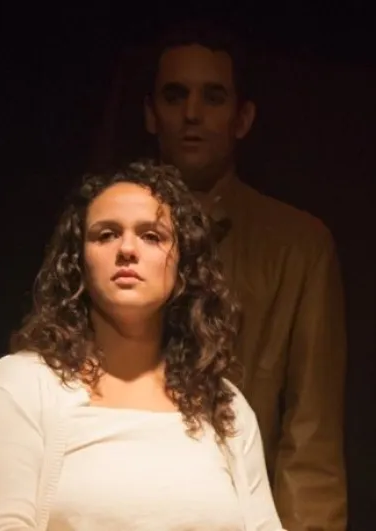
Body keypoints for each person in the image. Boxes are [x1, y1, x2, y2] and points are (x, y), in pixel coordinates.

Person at [0, 161, 284, 531]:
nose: (127, 248)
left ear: (182, 264)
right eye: (106, 235)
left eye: (152, 236)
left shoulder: (224, 405)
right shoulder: (21, 386)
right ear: (78, 262)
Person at [141, 21, 347, 530]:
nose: (192, 113)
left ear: (243, 117)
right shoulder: (106, 234)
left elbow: (311, 431)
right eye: (175, 95)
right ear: (150, 113)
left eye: (213, 97)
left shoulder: (296, 244)